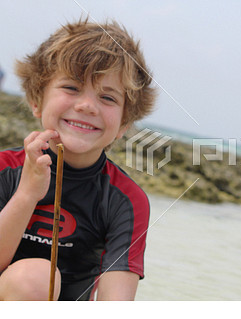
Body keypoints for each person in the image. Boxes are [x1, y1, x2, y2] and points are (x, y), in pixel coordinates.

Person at [0, 18, 156, 300]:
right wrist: (26, 195)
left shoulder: (126, 201)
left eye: (108, 98)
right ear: (37, 100)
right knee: (34, 278)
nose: (87, 105)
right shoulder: (4, 170)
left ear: (123, 124)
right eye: (71, 87)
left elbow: (115, 303)